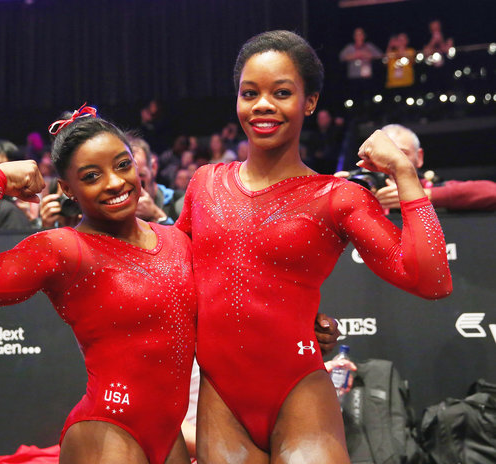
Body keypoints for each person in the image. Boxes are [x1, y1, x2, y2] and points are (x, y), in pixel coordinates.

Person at [176, 30, 452, 463]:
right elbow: (173, 274)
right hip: (220, 399)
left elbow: (432, 280)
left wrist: (404, 172)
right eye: (250, 93)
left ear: (310, 102)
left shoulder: (337, 198)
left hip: (298, 390)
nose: (263, 105)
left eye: (281, 92)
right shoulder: (205, 183)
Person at [0, 109, 197, 464]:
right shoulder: (63, 250)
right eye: (92, 176)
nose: (114, 182)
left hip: (170, 436)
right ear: (67, 190)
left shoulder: (177, 239)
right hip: (105, 433)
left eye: (122, 165)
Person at [358, 124, 496, 212]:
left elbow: (492, 192)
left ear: (420, 157)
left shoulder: (431, 186)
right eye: (387, 154)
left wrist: (424, 196)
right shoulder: (362, 188)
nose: (394, 161)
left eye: (403, 153)